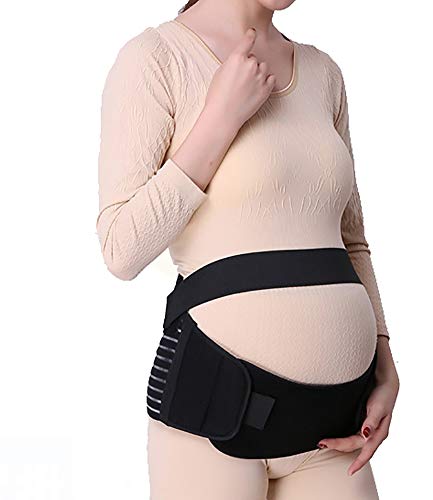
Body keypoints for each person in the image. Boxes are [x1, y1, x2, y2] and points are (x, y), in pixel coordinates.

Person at [96, 0, 400, 498]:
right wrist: (219, 119)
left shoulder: (323, 73)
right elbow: (120, 248)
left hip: (335, 422)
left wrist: (385, 365)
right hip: (216, 418)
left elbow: (351, 240)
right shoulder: (157, 58)